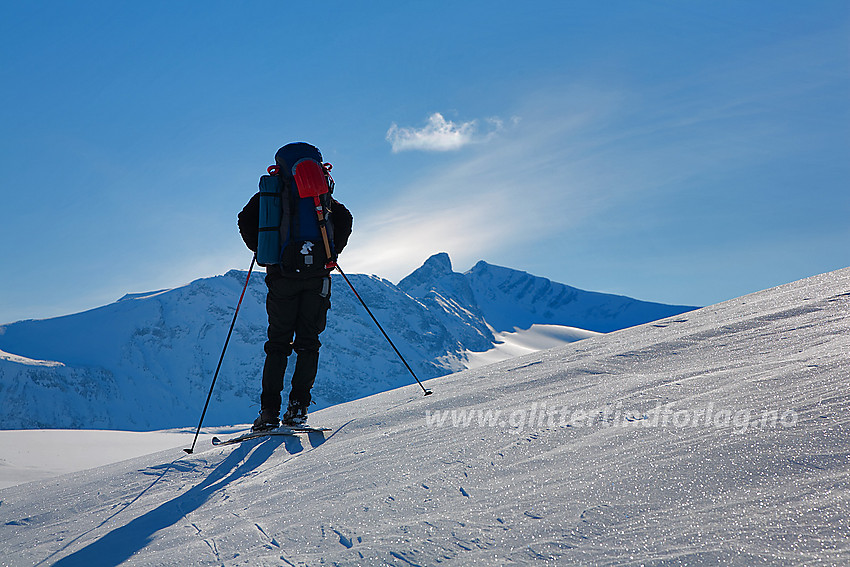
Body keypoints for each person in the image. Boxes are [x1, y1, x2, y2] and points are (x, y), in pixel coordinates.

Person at [238, 142, 353, 430]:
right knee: (308, 344)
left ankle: (268, 413)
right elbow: (345, 219)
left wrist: (265, 252)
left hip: (282, 278)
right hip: (317, 278)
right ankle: (298, 408)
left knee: (277, 345)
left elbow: (244, 220)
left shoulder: (270, 194)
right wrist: (331, 253)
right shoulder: (322, 193)